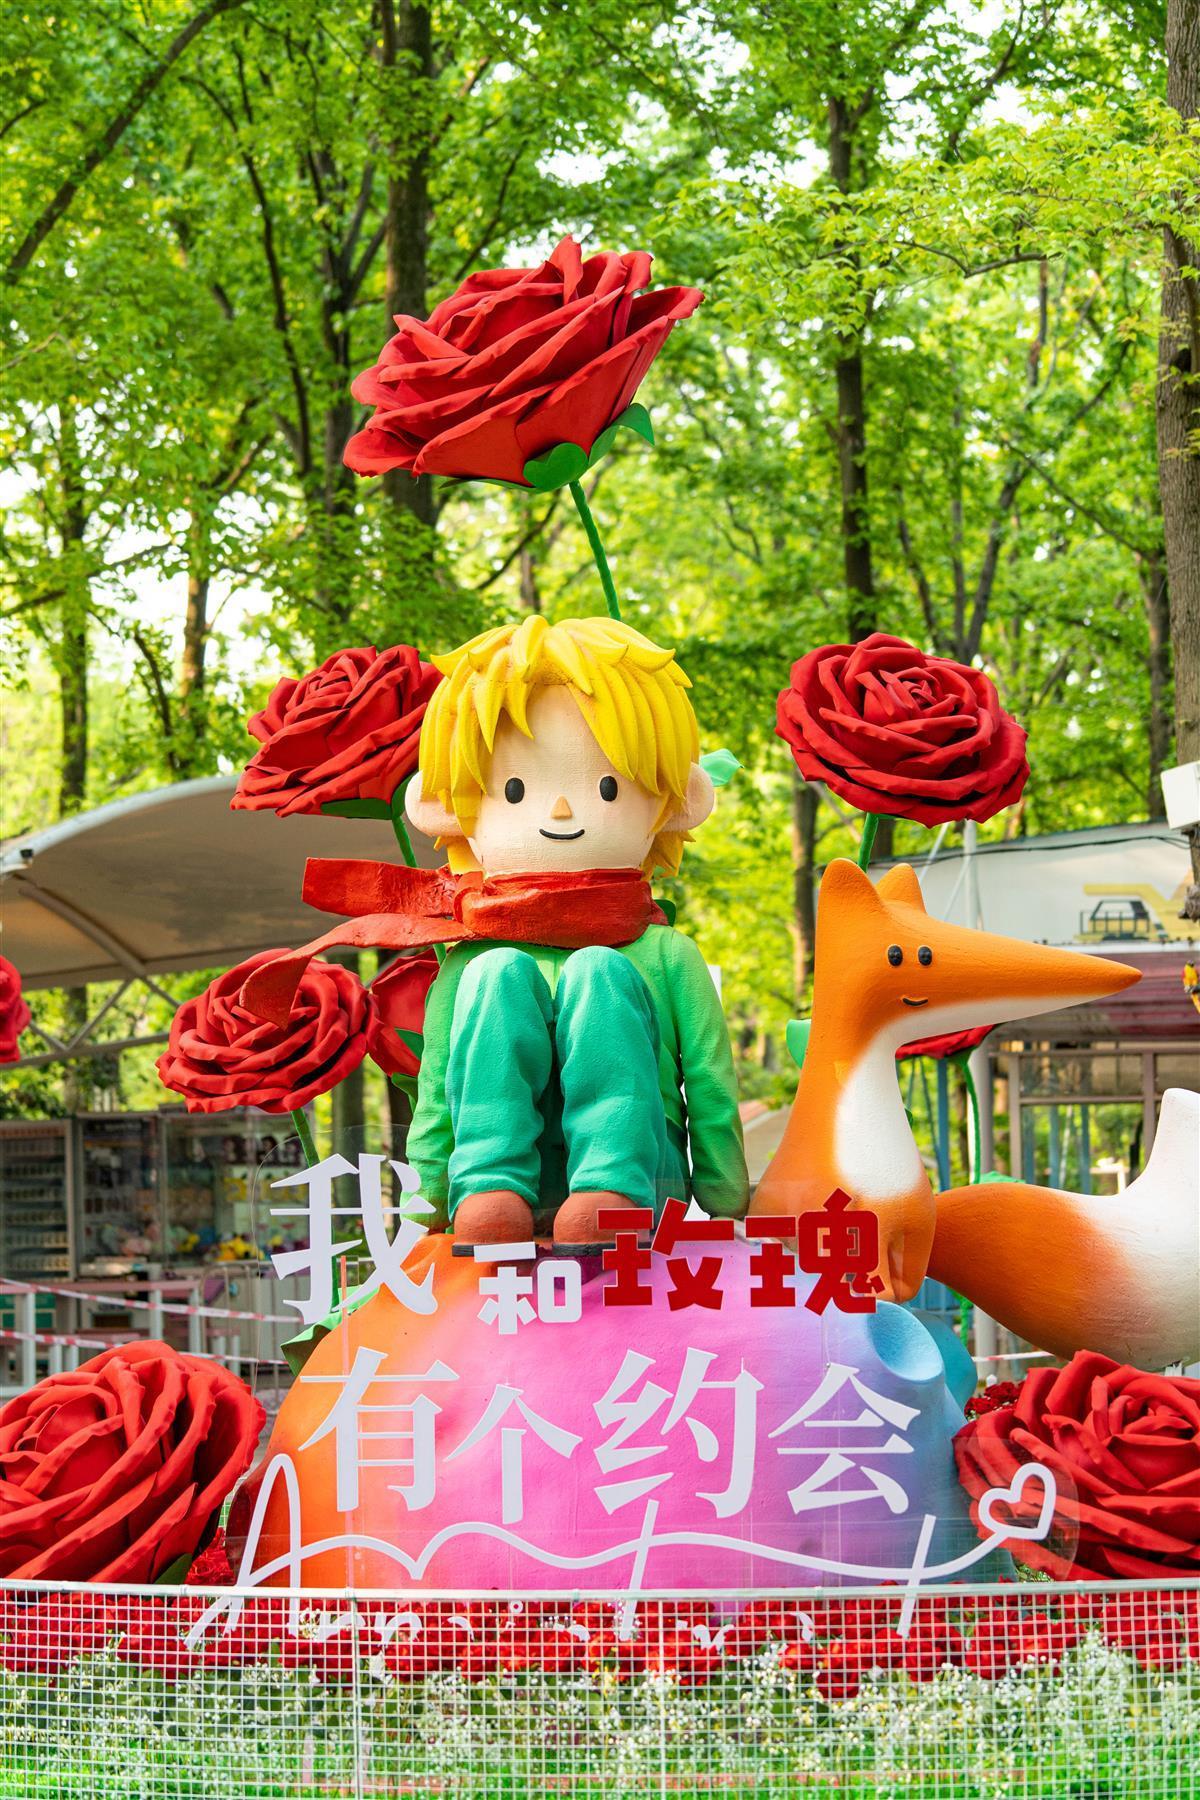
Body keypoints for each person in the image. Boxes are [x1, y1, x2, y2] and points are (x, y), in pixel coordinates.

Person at [403, 614, 748, 1249]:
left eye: (608, 788)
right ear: (443, 806)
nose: (561, 811)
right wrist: (426, 1190)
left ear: (679, 800)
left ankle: (609, 1187)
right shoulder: (473, 955)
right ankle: (491, 1187)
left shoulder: (665, 953)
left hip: (645, 1183)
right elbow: (440, 1080)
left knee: (600, 971)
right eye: (514, 789)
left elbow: (707, 1080)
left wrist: (723, 1191)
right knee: (497, 975)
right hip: (505, 1194)